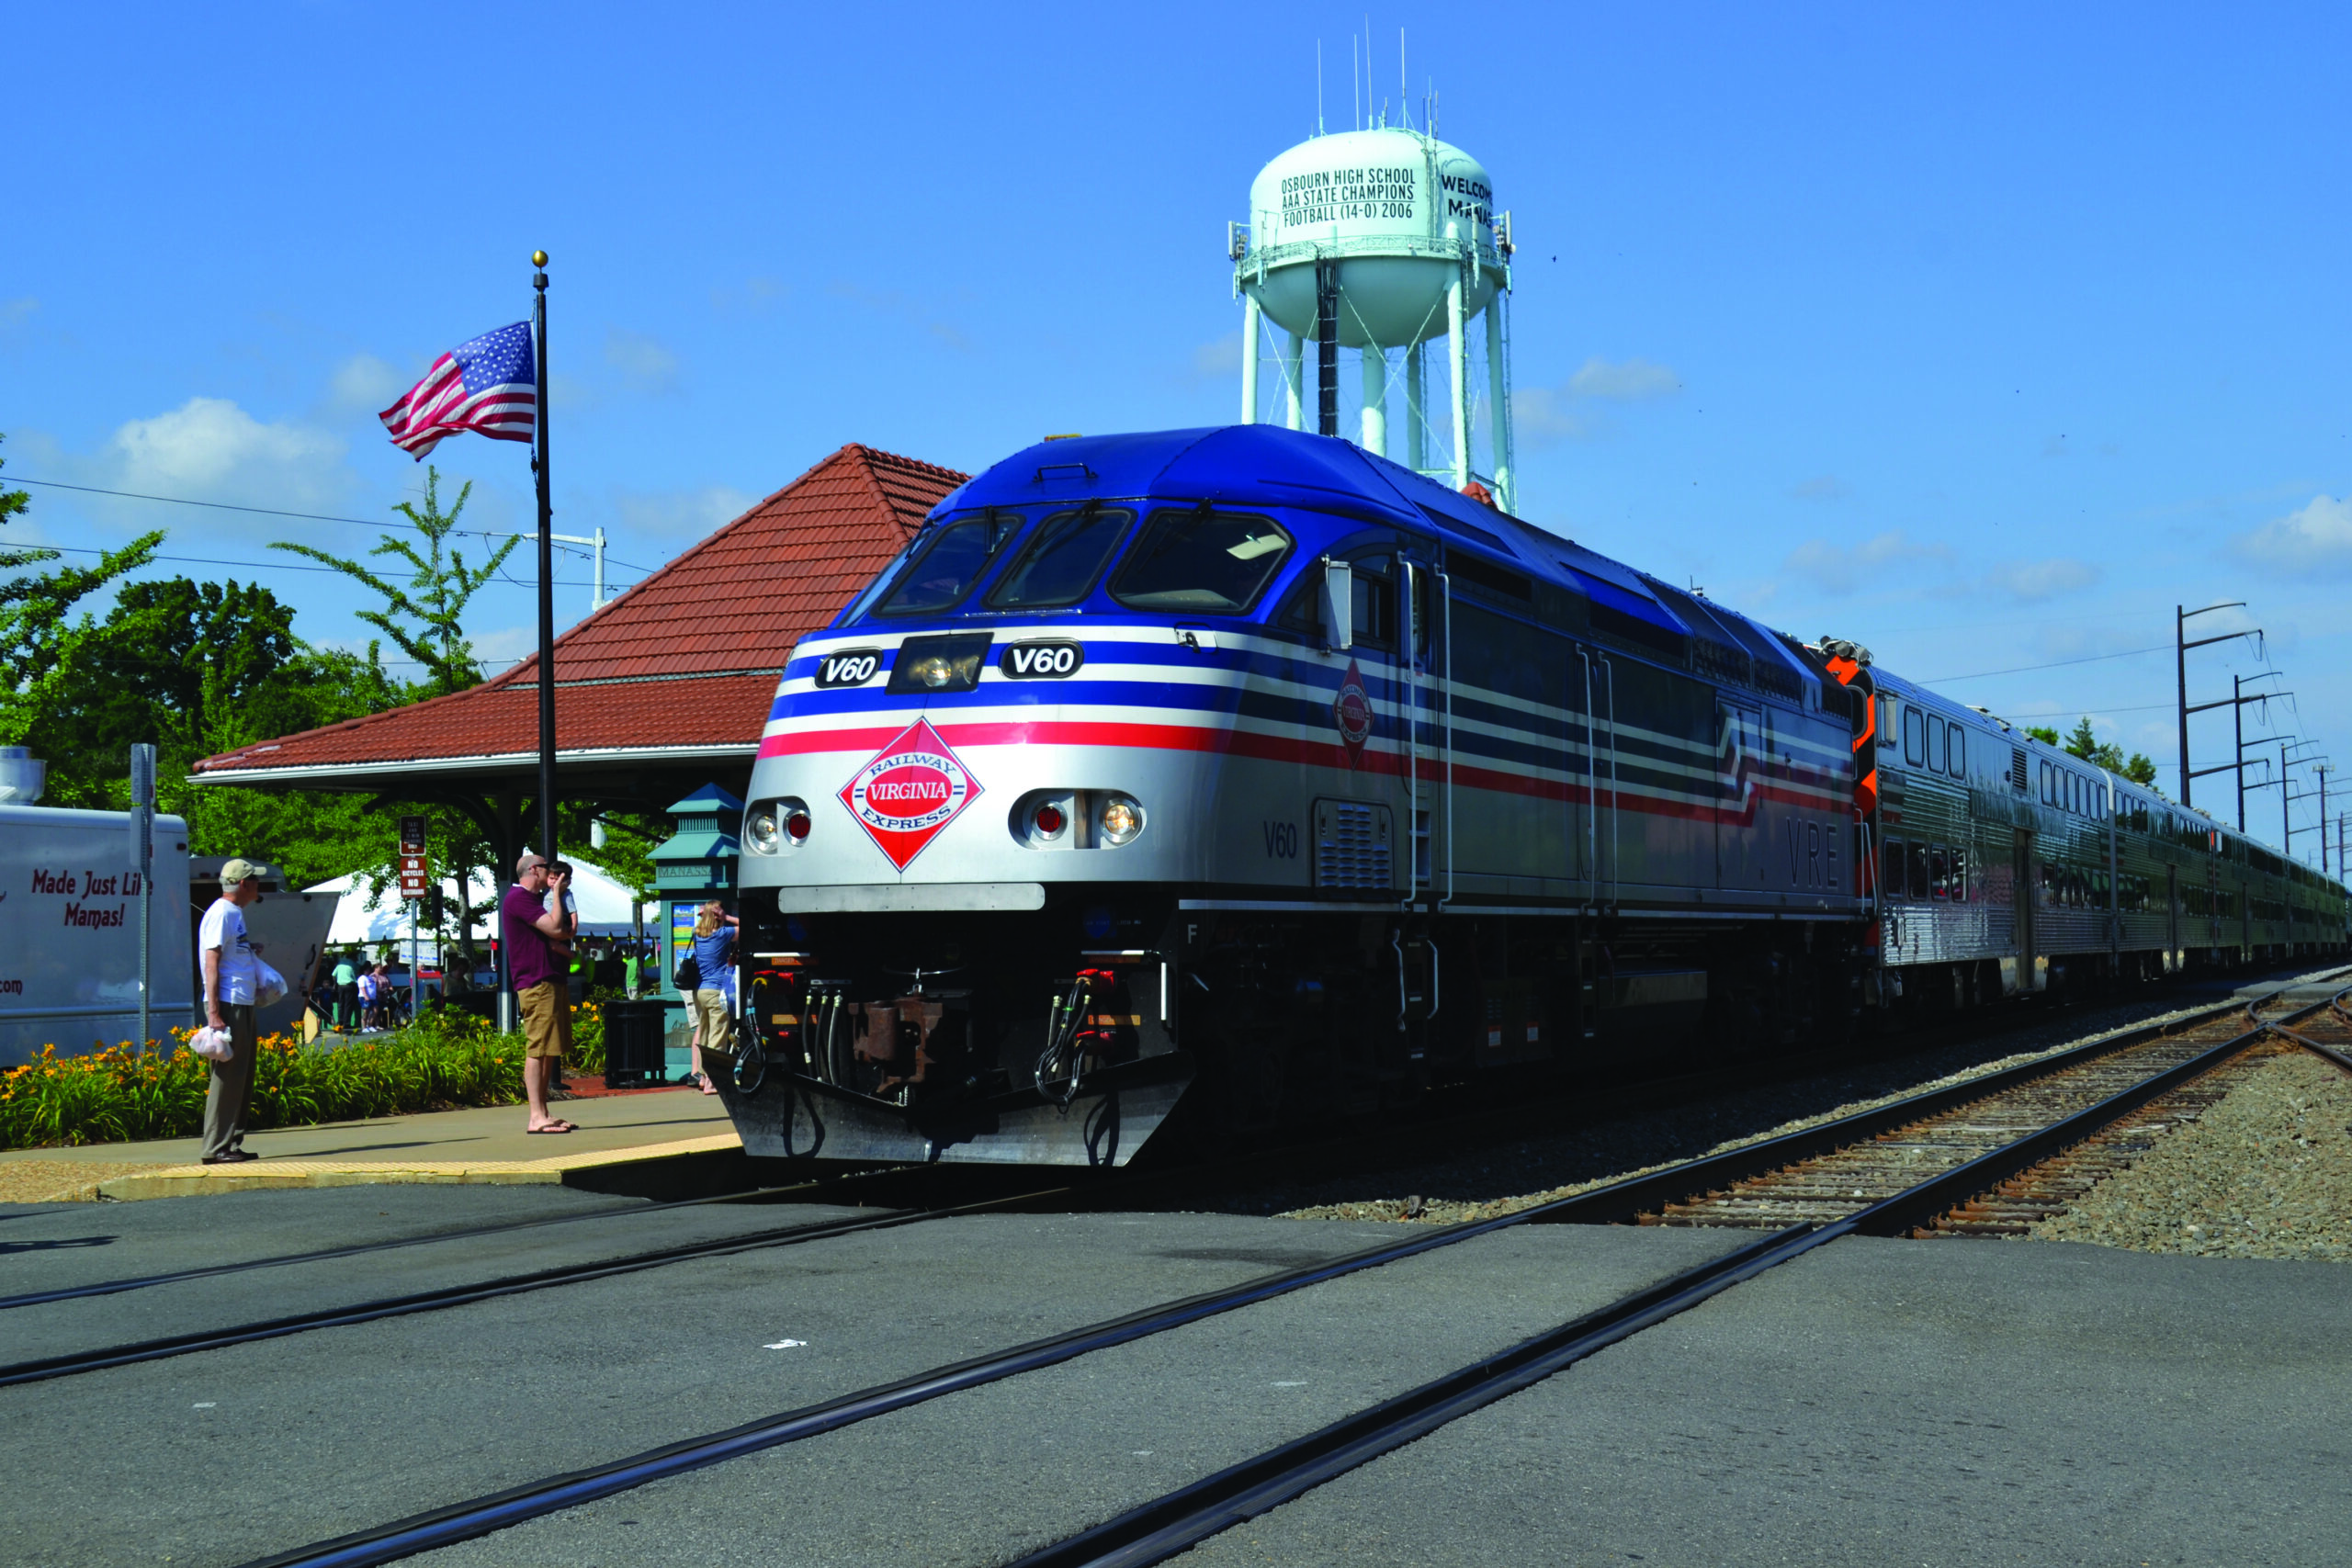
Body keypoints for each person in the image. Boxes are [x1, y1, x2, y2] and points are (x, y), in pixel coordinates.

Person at [503, 852, 577, 1134]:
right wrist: (557, 892)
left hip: (549, 979)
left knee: (548, 1050)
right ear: (534, 870)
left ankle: (543, 1112)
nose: (553, 874)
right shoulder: (519, 898)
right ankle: (536, 1116)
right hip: (536, 982)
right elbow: (557, 929)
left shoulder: (531, 901)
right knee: (538, 1048)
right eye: (548, 869)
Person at [198, 858, 266, 1165]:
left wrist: (251, 952)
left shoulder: (233, 914)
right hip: (228, 1002)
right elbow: (210, 962)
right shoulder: (223, 913)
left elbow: (225, 955)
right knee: (227, 1075)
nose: (258, 886)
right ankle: (215, 1147)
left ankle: (230, 1142)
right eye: (255, 881)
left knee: (241, 1074)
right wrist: (214, 1013)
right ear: (244, 884)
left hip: (240, 1000)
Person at [688, 900, 740, 1096]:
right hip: (717, 991)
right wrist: (726, 918)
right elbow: (746, 928)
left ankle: (702, 1077)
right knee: (717, 1038)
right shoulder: (722, 934)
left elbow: (703, 924)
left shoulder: (698, 935)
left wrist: (707, 914)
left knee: (704, 1035)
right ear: (718, 916)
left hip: (701, 991)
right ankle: (712, 1082)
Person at [332, 950, 359, 1032]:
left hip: (340, 985)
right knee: (348, 1004)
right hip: (349, 985)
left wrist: (335, 983)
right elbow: (357, 973)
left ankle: (340, 1022)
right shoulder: (353, 964)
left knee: (341, 1004)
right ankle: (346, 1023)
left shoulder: (340, 964)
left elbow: (333, 975)